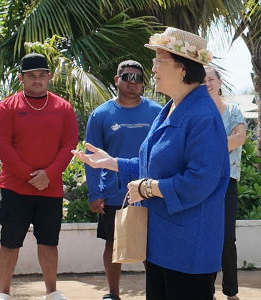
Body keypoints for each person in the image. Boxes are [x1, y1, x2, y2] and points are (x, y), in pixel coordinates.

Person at [73, 27, 230, 300]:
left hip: (188, 247)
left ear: (182, 68)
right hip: (164, 243)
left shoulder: (202, 115)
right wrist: (113, 163)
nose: (153, 67)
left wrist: (149, 188)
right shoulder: (173, 107)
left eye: (159, 60)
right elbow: (155, 164)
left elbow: (201, 179)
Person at [0, 53, 78, 300]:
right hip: (15, 189)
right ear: (21, 78)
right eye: (31, 76)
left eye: (41, 75)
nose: (37, 80)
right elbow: (2, 146)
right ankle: (3, 293)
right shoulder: (7, 107)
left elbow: (70, 144)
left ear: (49, 77)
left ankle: (52, 292)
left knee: (49, 242)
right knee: (10, 242)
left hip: (50, 189)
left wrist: (48, 175)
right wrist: (31, 176)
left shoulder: (64, 108)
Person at [85, 60, 162, 300]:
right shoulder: (100, 115)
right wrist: (95, 193)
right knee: (113, 243)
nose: (133, 82)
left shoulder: (158, 111)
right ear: (116, 80)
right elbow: (92, 157)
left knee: (153, 248)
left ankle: (158, 293)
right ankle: (113, 293)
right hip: (114, 193)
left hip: (151, 190)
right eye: (127, 76)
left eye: (138, 78)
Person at [204, 66, 246, 300]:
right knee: (206, 236)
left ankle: (231, 292)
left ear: (220, 82)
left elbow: (239, 138)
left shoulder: (232, 110)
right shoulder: (197, 111)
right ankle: (206, 290)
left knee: (227, 237)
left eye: (211, 79)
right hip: (201, 182)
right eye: (202, 80)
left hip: (227, 182)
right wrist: (223, 141)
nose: (207, 83)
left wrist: (209, 145)